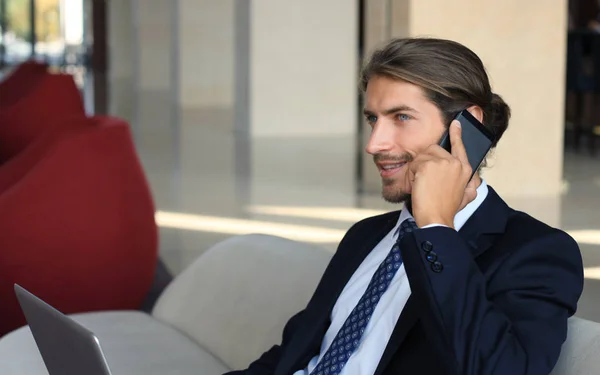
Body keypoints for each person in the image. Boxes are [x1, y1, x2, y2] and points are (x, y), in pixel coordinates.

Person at [225, 37, 584, 375]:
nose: (375, 144)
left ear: (467, 126)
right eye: (372, 119)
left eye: (401, 117)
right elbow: (294, 354)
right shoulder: (365, 236)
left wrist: (436, 230)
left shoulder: (536, 252)